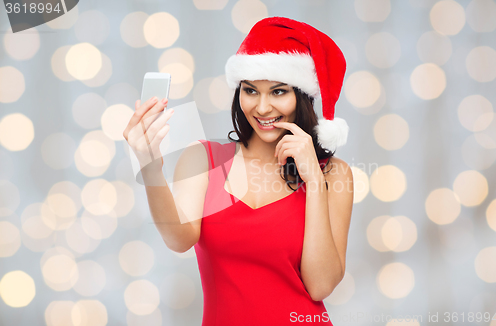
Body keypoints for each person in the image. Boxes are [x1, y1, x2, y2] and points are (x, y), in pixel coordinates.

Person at [123, 16, 353, 326]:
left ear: (302, 95)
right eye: (251, 91)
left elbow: (320, 285)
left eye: (278, 92)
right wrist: (150, 166)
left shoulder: (333, 174)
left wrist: (313, 180)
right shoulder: (206, 159)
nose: (262, 108)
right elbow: (179, 239)